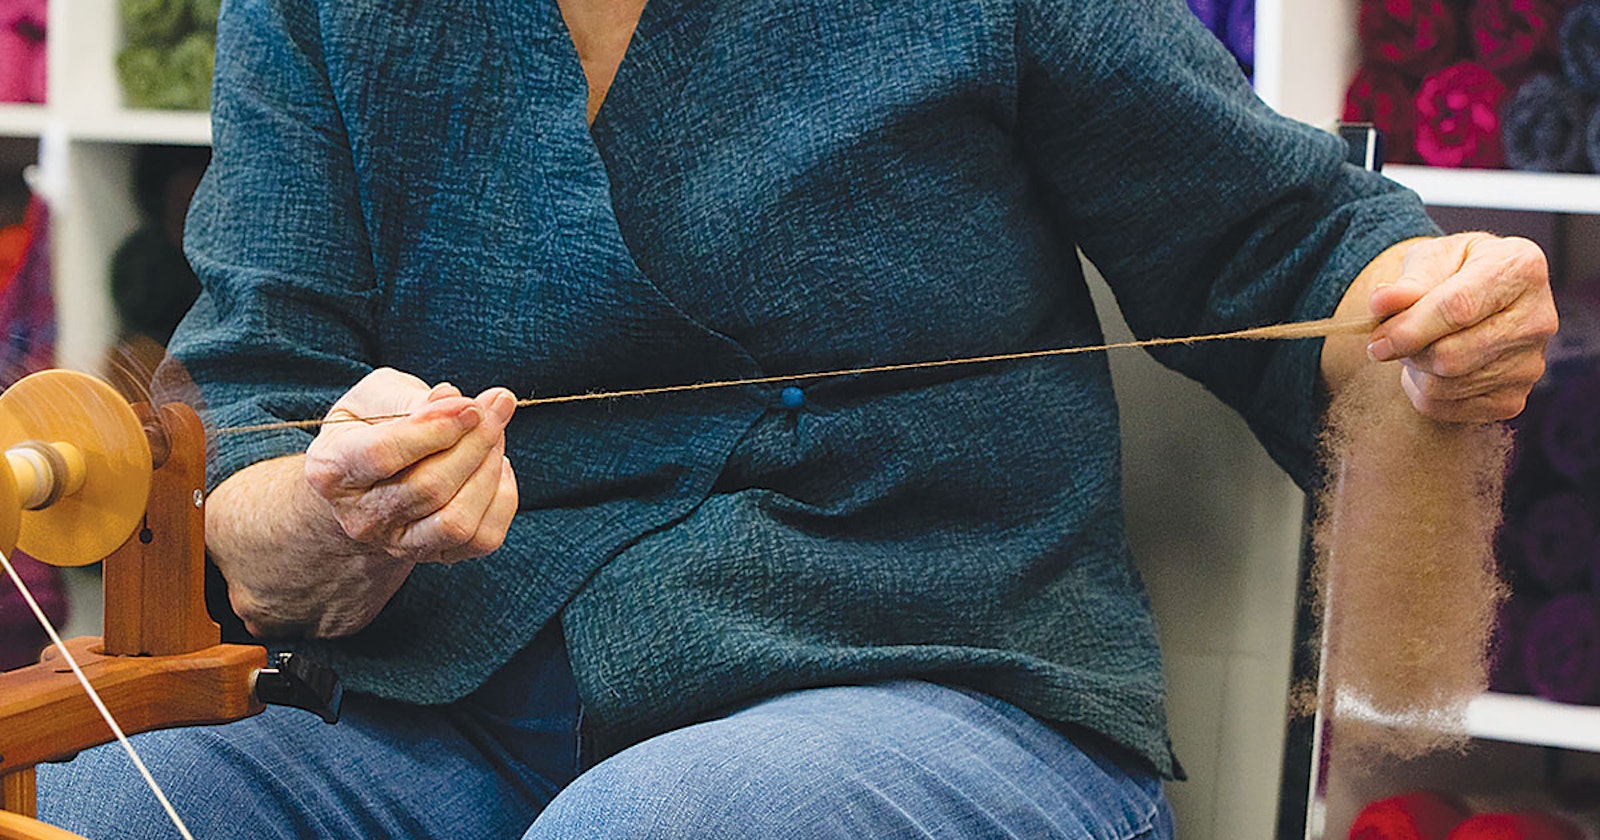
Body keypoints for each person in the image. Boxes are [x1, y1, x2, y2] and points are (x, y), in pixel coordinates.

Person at [40, 0, 1556, 836]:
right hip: (444, 716)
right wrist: (332, 510)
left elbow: (1281, 242)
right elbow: (249, 416)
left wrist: (1427, 310)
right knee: (77, 805)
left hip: (922, 682)